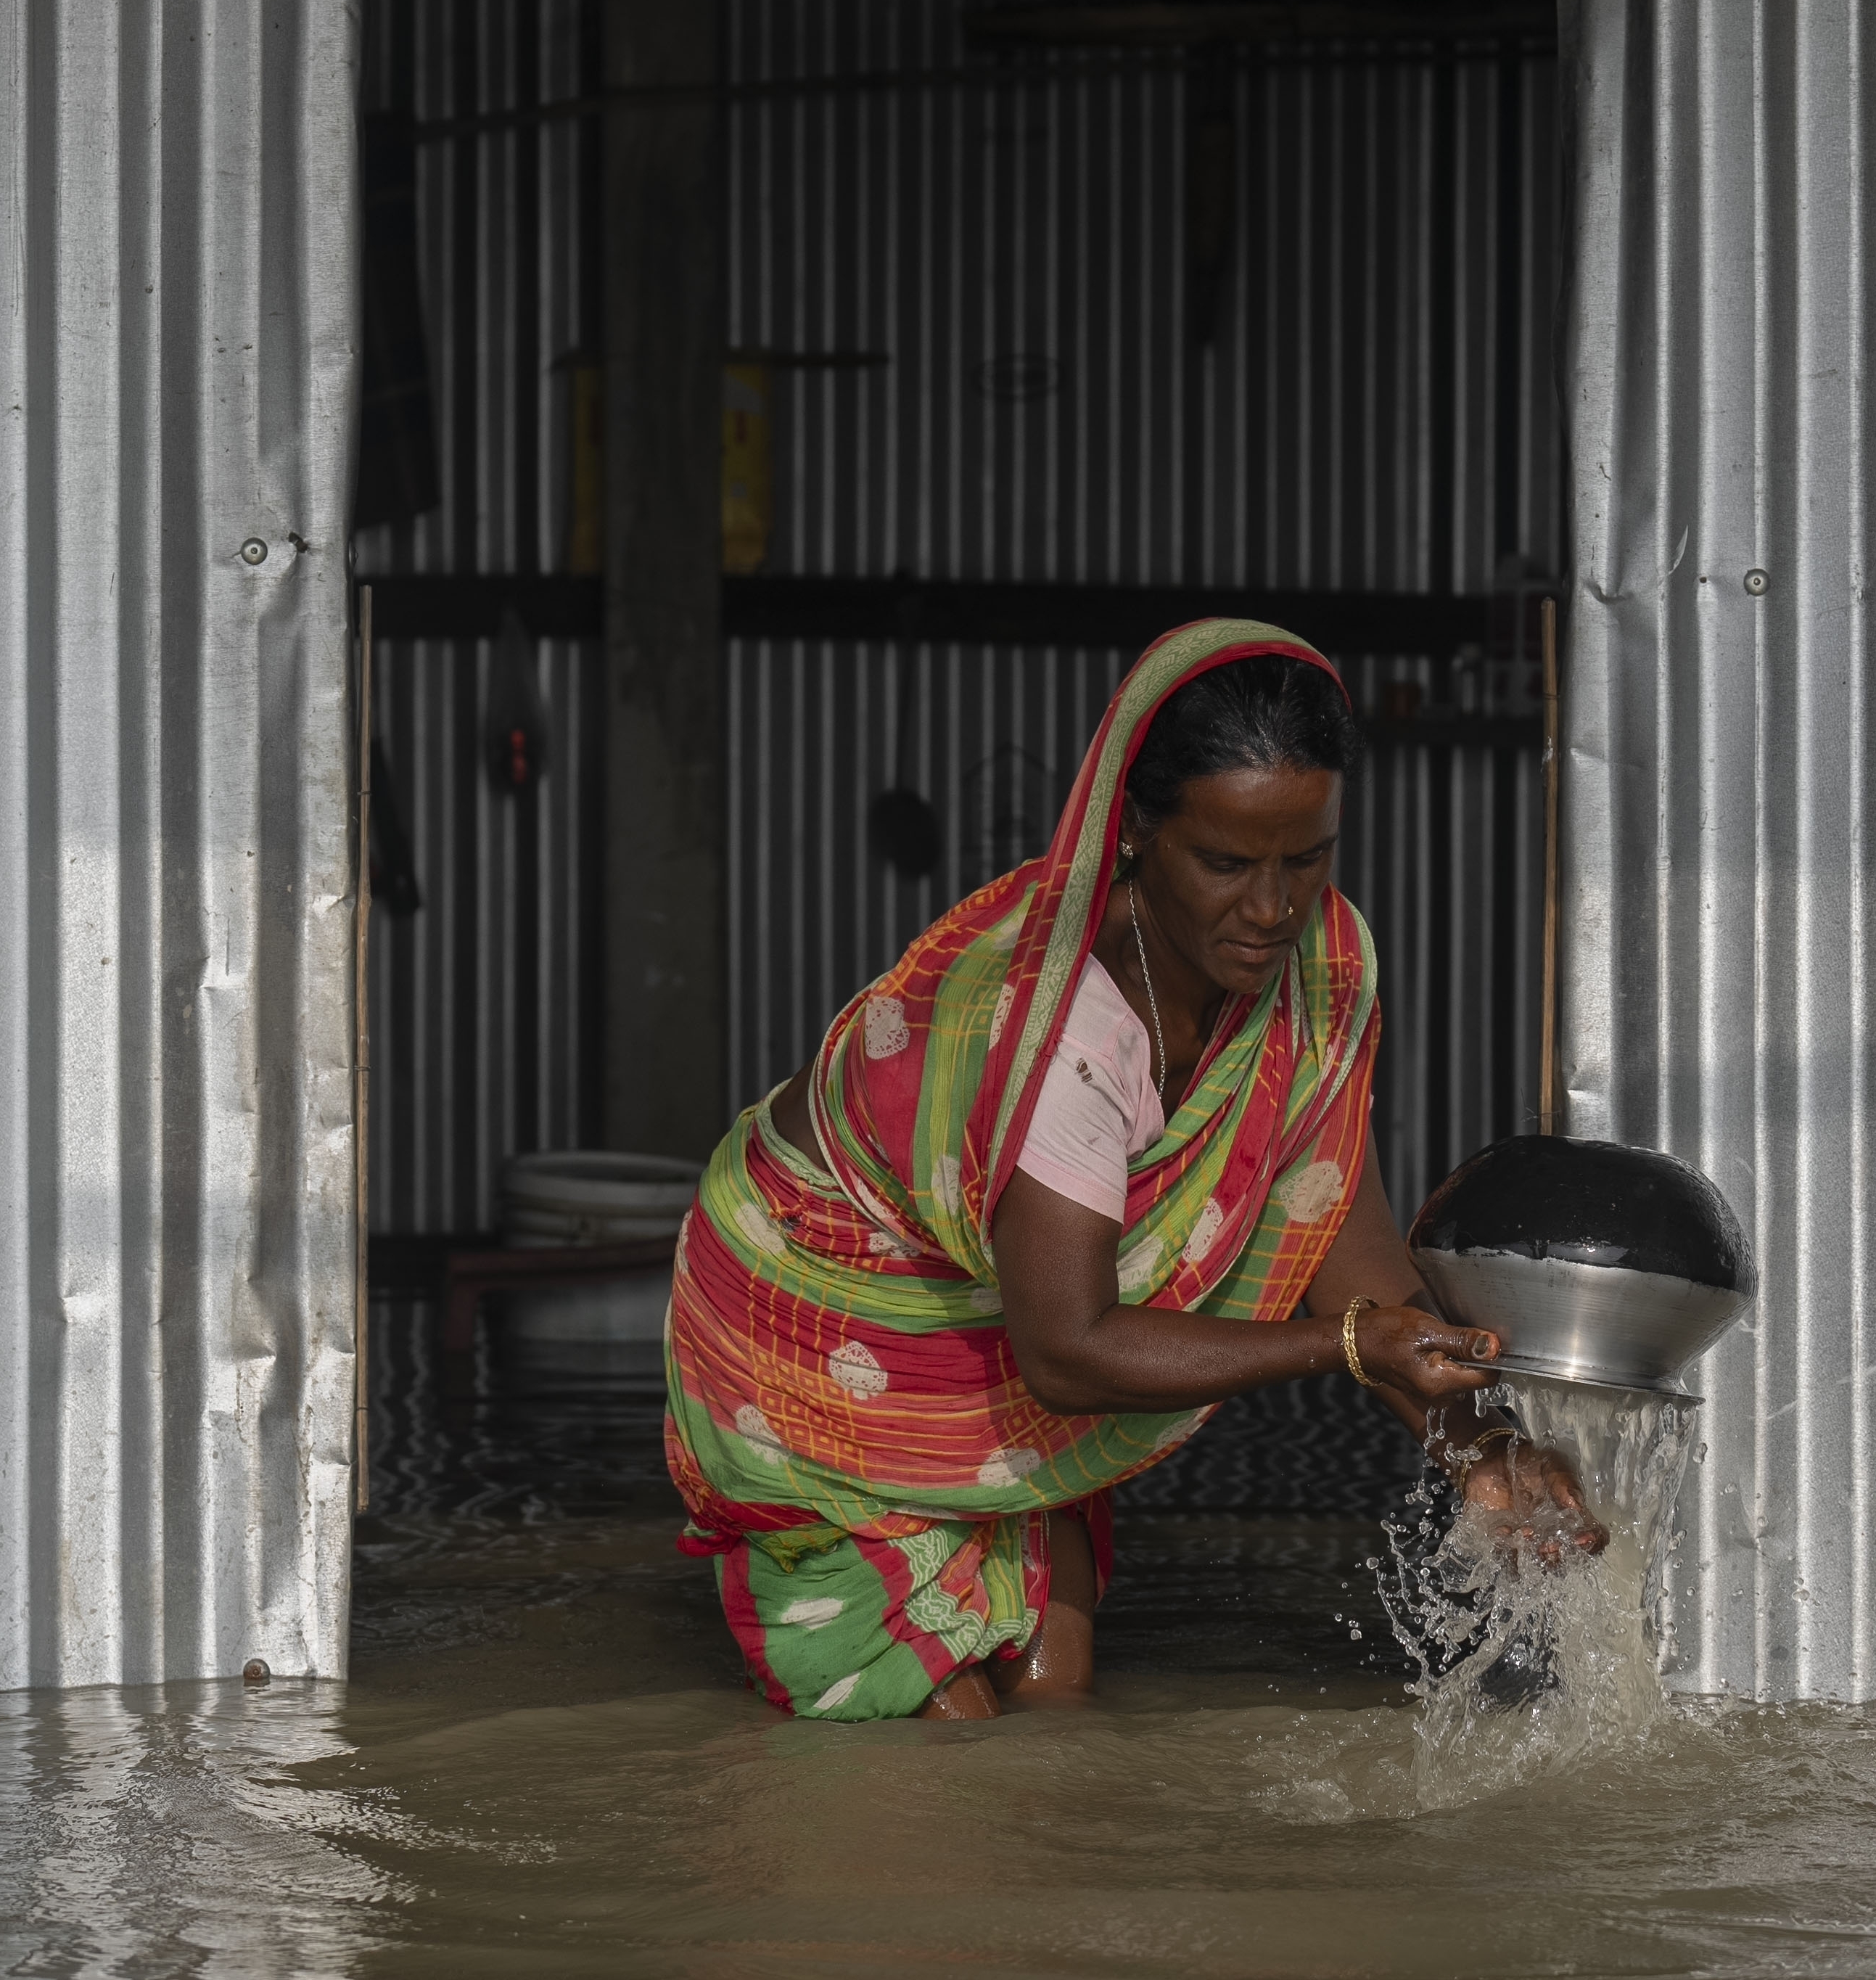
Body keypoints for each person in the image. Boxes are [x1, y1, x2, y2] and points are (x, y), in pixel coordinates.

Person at [663, 617, 1603, 1720]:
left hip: (1003, 1320)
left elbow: (1335, 1235)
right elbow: (1069, 1353)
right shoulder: (1062, 1031)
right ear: (1135, 837)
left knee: (1058, 1700)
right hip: (823, 1321)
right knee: (935, 1745)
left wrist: (1481, 1449)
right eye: (1225, 864)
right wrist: (1348, 1348)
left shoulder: (1320, 966)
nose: (1273, 908)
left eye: (1307, 858)